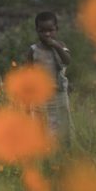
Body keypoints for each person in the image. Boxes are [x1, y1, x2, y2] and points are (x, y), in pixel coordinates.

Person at [27, 11, 72, 145]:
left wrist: (57, 46)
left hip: (59, 93)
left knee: (63, 124)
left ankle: (65, 150)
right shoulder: (33, 50)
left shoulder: (61, 46)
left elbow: (67, 61)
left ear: (56, 29)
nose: (47, 34)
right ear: (37, 31)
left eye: (50, 30)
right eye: (42, 31)